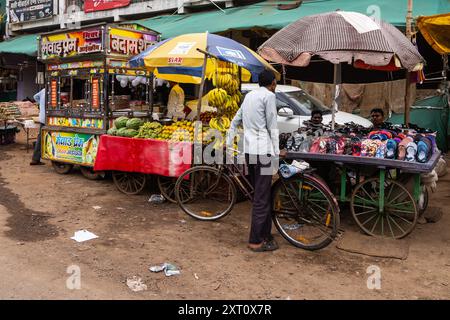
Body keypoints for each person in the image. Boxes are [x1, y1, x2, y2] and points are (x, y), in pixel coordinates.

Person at [226, 69, 285, 252]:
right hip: (263, 152)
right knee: (261, 198)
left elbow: (235, 121)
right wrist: (277, 152)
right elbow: (272, 126)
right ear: (272, 83)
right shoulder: (269, 96)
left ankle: (265, 235)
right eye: (275, 83)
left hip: (249, 152)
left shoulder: (250, 96)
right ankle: (255, 241)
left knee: (261, 195)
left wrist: (228, 144)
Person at [30, 88, 46, 165]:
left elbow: (35, 96)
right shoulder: (53, 91)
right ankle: (35, 159)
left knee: (41, 137)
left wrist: (40, 104)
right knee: (42, 138)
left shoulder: (43, 90)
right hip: (47, 118)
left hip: (42, 117)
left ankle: (35, 159)